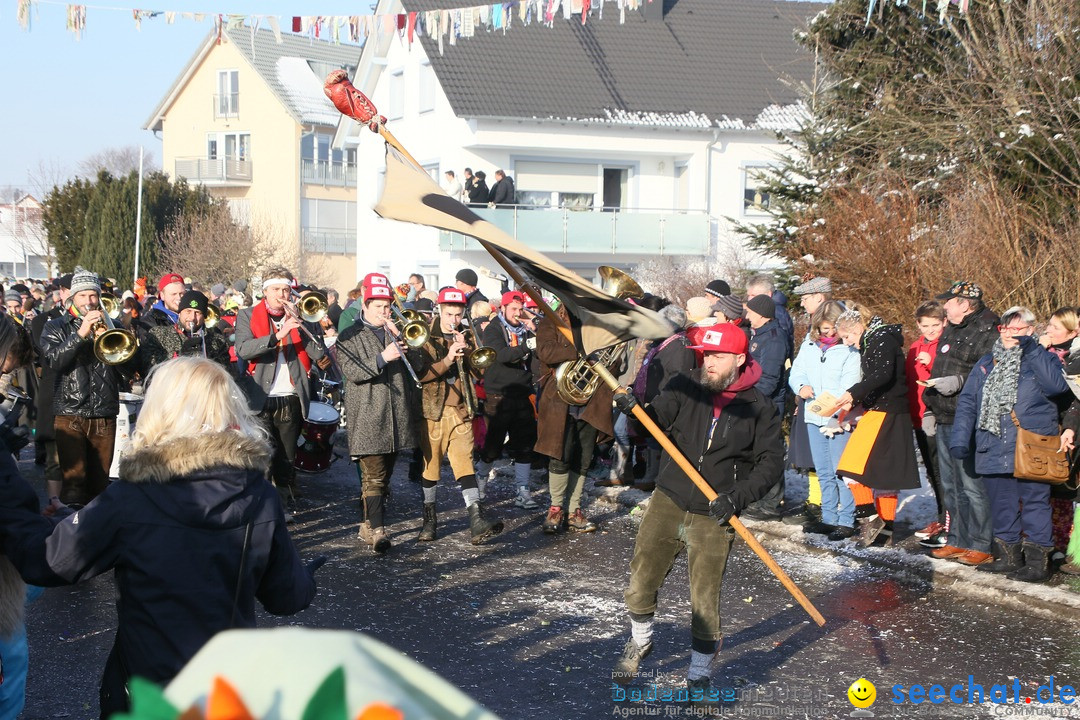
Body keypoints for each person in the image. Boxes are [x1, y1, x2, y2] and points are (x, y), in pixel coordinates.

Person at [0, 356, 319, 719]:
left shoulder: (132, 497)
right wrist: (306, 575)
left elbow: (47, 563)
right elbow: (287, 597)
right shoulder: (259, 493)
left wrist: (8, 484)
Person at [611, 324, 783, 700]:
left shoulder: (760, 407)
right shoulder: (684, 385)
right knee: (641, 582)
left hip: (715, 512)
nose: (708, 362)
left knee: (705, 598)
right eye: (706, 355)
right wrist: (636, 412)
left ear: (739, 359)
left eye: (718, 356)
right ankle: (640, 641)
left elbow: (770, 464)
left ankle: (699, 674)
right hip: (669, 499)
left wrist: (736, 498)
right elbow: (655, 422)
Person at [949, 307, 1070, 581]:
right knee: (1002, 503)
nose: (1009, 333)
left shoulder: (1044, 359)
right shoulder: (986, 363)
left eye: (1018, 329)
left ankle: (1038, 563)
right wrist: (960, 437)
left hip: (1031, 445)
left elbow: (1056, 387)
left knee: (1034, 502)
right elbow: (968, 403)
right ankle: (1009, 556)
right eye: (1006, 328)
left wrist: (1033, 349)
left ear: (1030, 331)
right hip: (992, 442)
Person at [336, 277, 422, 554]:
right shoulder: (348, 334)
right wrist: (383, 357)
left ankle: (367, 522)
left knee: (383, 478)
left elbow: (417, 369)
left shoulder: (394, 331)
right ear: (365, 304)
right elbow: (353, 372)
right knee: (373, 476)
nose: (385, 312)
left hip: (396, 415)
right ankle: (379, 532)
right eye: (380, 307)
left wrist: (403, 340)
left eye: (388, 306)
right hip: (368, 414)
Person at [234, 267, 328, 514]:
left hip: (291, 396)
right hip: (259, 397)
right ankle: (262, 509)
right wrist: (279, 334)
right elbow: (244, 349)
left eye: (286, 289)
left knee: (286, 458)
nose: (282, 294)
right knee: (261, 457)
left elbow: (319, 355)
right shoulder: (246, 315)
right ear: (265, 292)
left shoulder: (301, 317)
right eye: (276, 289)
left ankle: (283, 507)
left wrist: (302, 326)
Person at [413, 287, 503, 544]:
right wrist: (449, 359)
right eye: (449, 313)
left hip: (462, 409)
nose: (454, 319)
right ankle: (429, 521)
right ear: (440, 311)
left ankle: (476, 521)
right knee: (431, 468)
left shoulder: (468, 335)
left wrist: (469, 355)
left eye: (458, 313)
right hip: (434, 411)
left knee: (465, 465)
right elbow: (421, 374)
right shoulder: (424, 336)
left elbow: (479, 374)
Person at [39, 267, 132, 509]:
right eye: (83, 296)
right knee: (74, 483)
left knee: (100, 483)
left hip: (104, 411)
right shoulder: (56, 326)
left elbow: (127, 370)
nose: (89, 302)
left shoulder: (113, 325)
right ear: (72, 298)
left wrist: (110, 335)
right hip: (70, 414)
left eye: (93, 296)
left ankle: (96, 535)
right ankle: (70, 534)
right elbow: (53, 361)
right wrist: (80, 334)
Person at [922, 281, 999, 562]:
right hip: (943, 416)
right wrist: (930, 407)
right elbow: (939, 369)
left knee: (972, 486)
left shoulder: (989, 330)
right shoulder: (951, 329)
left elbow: (990, 373)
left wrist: (959, 382)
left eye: (950, 302)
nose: (945, 306)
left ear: (965, 305)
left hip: (968, 418)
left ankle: (982, 543)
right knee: (951, 485)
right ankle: (957, 538)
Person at [833, 309, 921, 545]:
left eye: (847, 337)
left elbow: (882, 375)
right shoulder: (876, 339)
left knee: (851, 466)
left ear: (857, 328)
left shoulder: (880, 340)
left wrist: (854, 392)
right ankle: (884, 532)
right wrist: (856, 400)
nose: (847, 343)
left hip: (886, 411)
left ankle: (869, 518)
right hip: (887, 410)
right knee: (885, 475)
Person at [534, 303, 616, 533]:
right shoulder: (550, 322)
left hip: (591, 401)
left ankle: (574, 510)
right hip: (560, 399)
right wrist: (582, 348)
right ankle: (556, 508)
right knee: (560, 455)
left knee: (583, 457)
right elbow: (547, 352)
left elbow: (614, 363)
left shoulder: (596, 327)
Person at [789, 301, 861, 538]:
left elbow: (851, 382)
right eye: (824, 329)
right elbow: (797, 371)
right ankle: (829, 517)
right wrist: (801, 387)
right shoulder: (808, 346)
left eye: (833, 329)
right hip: (813, 414)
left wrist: (836, 406)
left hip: (839, 417)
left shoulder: (850, 350)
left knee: (841, 471)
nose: (829, 334)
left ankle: (847, 519)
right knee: (823, 471)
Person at [476, 291, 538, 509]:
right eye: (513, 309)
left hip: (522, 394)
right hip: (498, 395)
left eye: (520, 309)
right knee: (492, 446)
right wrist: (527, 346)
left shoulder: (526, 331)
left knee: (524, 446)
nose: (517, 313)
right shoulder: (493, 329)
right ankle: (480, 483)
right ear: (502, 308)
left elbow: (534, 360)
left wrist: (535, 336)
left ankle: (523, 491)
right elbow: (501, 355)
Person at [739, 294, 789, 521]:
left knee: (770, 453)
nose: (747, 315)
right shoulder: (758, 335)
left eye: (750, 311)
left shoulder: (775, 339)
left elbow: (768, 378)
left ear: (760, 314)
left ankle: (771, 503)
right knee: (756, 453)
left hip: (767, 405)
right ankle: (759, 497)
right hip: (755, 402)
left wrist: (748, 398)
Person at [1040, 307, 1080, 574]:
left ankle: (1073, 550)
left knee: (1069, 489)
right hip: (1058, 425)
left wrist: (1070, 426)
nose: (1048, 331)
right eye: (1049, 326)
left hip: (1070, 426)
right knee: (1058, 488)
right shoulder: (1053, 352)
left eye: (1055, 327)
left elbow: (1073, 398)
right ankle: (1065, 547)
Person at [906, 301, 948, 545]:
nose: (930, 330)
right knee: (932, 472)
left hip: (937, 416)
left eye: (935, 325)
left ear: (943, 322)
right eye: (925, 325)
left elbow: (947, 378)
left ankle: (947, 520)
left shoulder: (945, 345)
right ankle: (941, 515)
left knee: (943, 472)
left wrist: (930, 363)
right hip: (918, 416)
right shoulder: (915, 346)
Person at [30, 273, 70, 503]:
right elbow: (47, 355)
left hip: (86, 400)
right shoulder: (42, 321)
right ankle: (55, 507)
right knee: (55, 459)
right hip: (54, 393)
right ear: (62, 293)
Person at [142, 290, 231, 371]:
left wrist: (209, 357)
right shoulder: (159, 335)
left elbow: (227, 372)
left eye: (197, 313)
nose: (192, 317)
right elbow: (151, 369)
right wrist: (181, 355)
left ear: (204, 316)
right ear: (179, 313)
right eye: (188, 311)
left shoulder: (217, 340)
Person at [744, 274, 794, 362]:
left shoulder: (776, 312)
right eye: (749, 295)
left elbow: (779, 348)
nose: (749, 299)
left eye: (754, 295)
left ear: (768, 294)